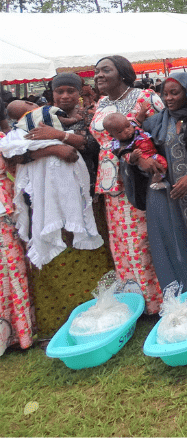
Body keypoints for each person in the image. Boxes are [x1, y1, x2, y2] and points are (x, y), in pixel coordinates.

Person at [19, 73, 113, 337]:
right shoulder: (35, 118)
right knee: (55, 256)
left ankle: (103, 313)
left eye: (70, 91)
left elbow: (93, 146)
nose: (65, 96)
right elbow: (16, 151)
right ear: (51, 94)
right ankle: (58, 321)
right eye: (59, 92)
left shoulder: (90, 117)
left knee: (91, 254)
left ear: (80, 92)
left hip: (86, 202)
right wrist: (52, 148)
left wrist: (59, 136)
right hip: (47, 205)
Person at [129, 72, 187, 291]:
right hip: (164, 194)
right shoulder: (154, 123)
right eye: (165, 93)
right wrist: (142, 160)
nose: (168, 98)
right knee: (171, 241)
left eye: (174, 93)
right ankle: (183, 293)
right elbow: (134, 146)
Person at [90, 55, 164, 313]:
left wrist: (144, 159)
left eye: (105, 70)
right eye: (96, 71)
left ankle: (156, 299)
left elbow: (163, 134)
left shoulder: (146, 97)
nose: (98, 75)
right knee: (121, 241)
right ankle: (133, 303)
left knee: (143, 238)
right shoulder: (101, 103)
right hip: (112, 183)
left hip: (141, 179)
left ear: (122, 73)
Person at [0, 124, 34, 355]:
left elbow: (17, 162)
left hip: (7, 208)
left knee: (13, 267)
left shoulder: (4, 139)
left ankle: (19, 333)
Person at [103, 112, 168, 189]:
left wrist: (143, 111)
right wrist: (133, 156)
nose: (127, 130)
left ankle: (160, 179)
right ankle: (156, 180)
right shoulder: (118, 145)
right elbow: (126, 156)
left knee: (163, 163)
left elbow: (137, 120)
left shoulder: (132, 126)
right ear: (112, 135)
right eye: (120, 131)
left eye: (128, 126)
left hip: (153, 152)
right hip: (143, 159)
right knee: (158, 166)